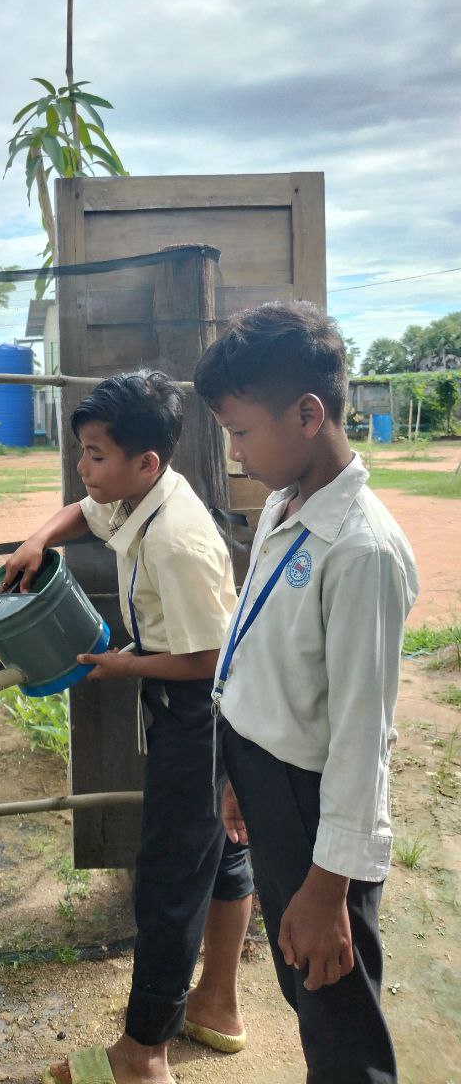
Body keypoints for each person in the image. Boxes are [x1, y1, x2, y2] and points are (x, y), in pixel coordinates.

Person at [1, 370, 253, 1084]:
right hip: (195, 706)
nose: (85, 470)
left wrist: (125, 666)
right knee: (220, 854)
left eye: (96, 456)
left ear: (146, 460)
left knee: (170, 879)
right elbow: (86, 511)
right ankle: (218, 1004)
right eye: (81, 452)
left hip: (200, 712)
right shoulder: (143, 493)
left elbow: (210, 657)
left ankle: (144, 1055)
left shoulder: (176, 540)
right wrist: (37, 537)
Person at [194, 301, 419, 1084]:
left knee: (336, 1010)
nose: (234, 451)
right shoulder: (287, 507)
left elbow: (364, 739)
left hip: (320, 804)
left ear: (308, 413)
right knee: (300, 980)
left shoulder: (360, 552)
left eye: (242, 432)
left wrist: (330, 889)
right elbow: (260, 650)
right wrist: (240, 773)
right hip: (268, 782)